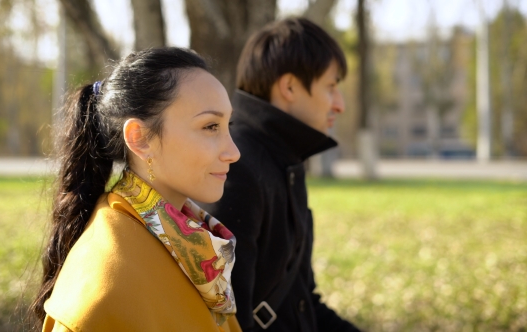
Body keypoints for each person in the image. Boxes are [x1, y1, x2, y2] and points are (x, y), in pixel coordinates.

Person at [30, 47, 242, 332]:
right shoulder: (107, 285)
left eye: (228, 125)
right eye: (210, 126)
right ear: (140, 139)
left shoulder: (186, 238)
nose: (234, 152)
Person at [202, 18, 363, 331]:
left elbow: (302, 301)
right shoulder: (236, 166)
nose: (339, 104)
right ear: (289, 87)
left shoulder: (285, 160)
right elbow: (231, 321)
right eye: (331, 87)